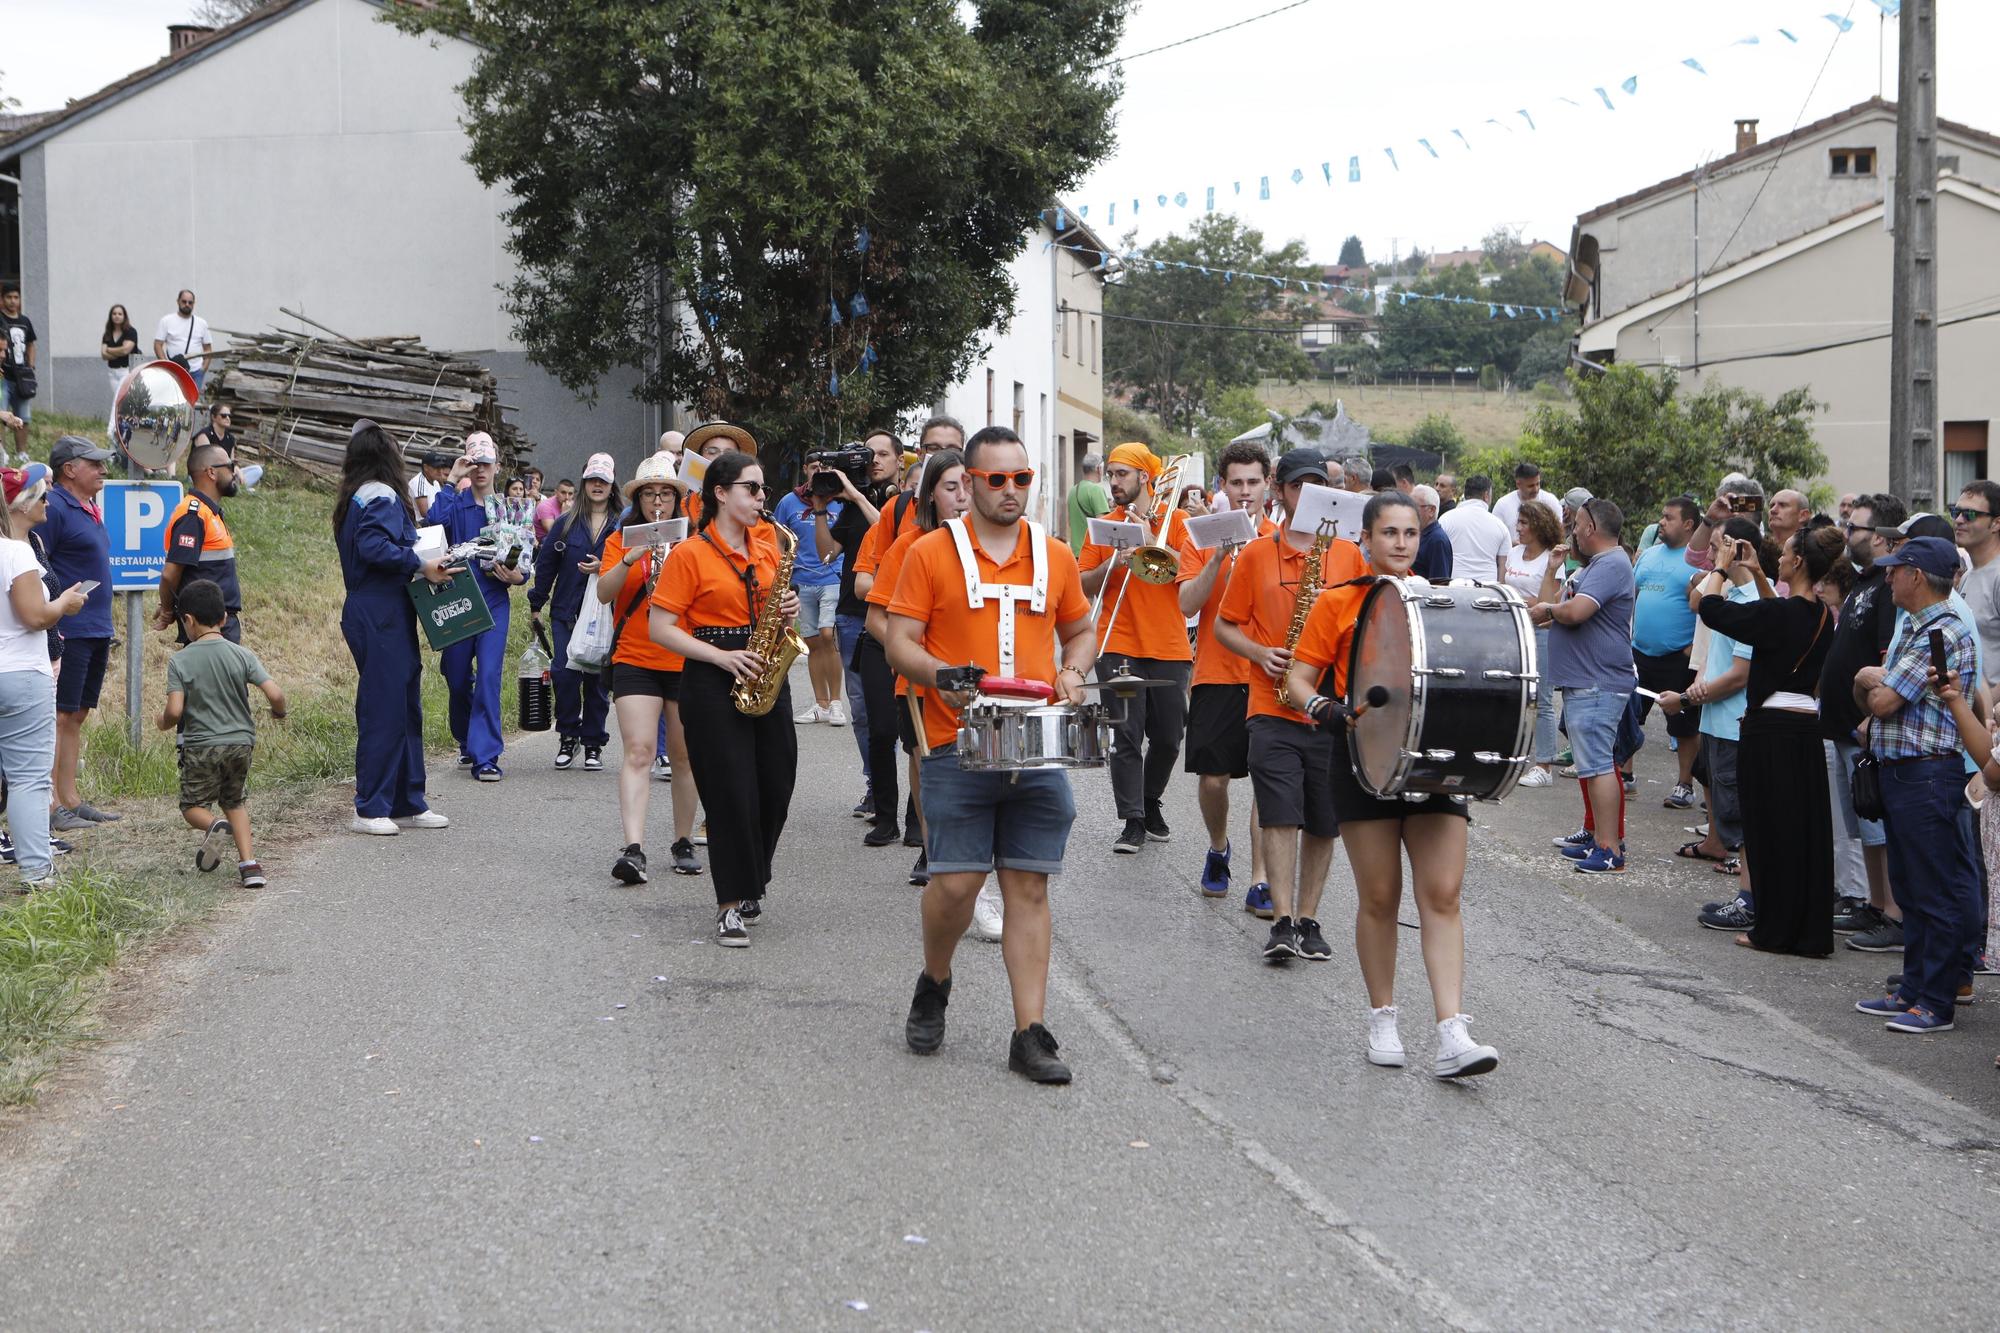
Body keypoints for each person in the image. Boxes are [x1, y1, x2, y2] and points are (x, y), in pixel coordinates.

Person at [884, 425, 1095, 1084]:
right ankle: (935, 978)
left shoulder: (1055, 554)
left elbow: (1080, 628)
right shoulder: (928, 552)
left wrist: (1076, 672)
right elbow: (899, 640)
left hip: (1034, 742)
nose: (1011, 491)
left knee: (1029, 885)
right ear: (969, 482)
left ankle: (1028, 1032)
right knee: (955, 883)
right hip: (956, 739)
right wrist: (940, 672)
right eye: (997, 479)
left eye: (1021, 479)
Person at [1286, 491, 1499, 1079]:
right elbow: (1299, 681)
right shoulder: (1338, 603)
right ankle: (1382, 1016)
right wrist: (1326, 710)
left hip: (1433, 764)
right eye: (1389, 534)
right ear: (1368, 539)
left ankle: (1452, 1031)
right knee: (1380, 897)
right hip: (1362, 763)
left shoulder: (1445, 602)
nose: (1401, 544)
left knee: (1442, 894)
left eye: (1410, 533)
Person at [1217, 449, 1368, 960]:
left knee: (1325, 820)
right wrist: (1259, 653)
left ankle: (1310, 918)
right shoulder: (1257, 553)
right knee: (1280, 814)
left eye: (1317, 485)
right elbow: (1223, 624)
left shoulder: (1348, 554)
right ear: (1280, 491)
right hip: (1271, 702)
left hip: (1330, 705)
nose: (1308, 496)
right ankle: (1281, 919)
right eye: (1298, 486)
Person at [650, 445, 800, 947]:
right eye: (751, 489)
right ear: (719, 493)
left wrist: (788, 611)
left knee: (777, 782)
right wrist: (720, 658)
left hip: (763, 668)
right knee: (730, 791)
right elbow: (661, 627)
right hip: (713, 675)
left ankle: (752, 874)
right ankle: (730, 904)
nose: (761, 498)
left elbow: (773, 608)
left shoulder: (768, 546)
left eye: (762, 490)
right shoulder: (691, 554)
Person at [1851, 536, 1985, 1033]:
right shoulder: (1917, 627)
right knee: (1910, 885)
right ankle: (1913, 990)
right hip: (1905, 772)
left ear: (1917, 576)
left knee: (1934, 889)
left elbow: (1882, 703)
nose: (1886, 578)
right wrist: (1872, 683)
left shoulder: (1943, 631)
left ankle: (1936, 1001)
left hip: (1929, 773)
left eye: (1894, 570)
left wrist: (1872, 681)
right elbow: (1872, 696)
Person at [1692, 526, 1844, 955]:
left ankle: (1773, 930)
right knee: (1802, 831)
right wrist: (1758, 575)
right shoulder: (1819, 615)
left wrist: (1720, 568)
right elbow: (1779, 617)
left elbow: (1712, 610)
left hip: (1771, 730)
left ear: (1797, 562)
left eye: (1784, 556)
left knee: (1768, 830)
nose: (1777, 559)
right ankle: (1807, 931)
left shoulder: (1782, 616)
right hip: (1803, 731)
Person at [333, 420, 456, 835]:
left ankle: (406, 800)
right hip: (380, 608)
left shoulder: (357, 495)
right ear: (384, 455)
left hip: (377, 607)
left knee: (403, 706)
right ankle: (370, 807)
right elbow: (374, 547)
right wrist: (421, 562)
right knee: (386, 709)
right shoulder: (382, 494)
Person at [1080, 442, 1198, 854]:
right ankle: (1131, 819)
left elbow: (1191, 571)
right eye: (1110, 474)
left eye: (1121, 475)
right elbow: (1082, 583)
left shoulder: (1178, 520)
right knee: (1125, 735)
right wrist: (1111, 561)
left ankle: (1149, 800)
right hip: (1118, 642)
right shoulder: (1103, 525)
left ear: (1145, 478)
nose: (1113, 482)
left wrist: (1154, 543)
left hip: (1169, 644)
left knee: (1168, 737)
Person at [863, 451, 971, 895]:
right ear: (930, 496)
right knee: (926, 767)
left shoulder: (997, 545)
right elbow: (875, 619)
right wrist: (914, 654)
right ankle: (932, 847)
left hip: (981, 681)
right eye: (951, 488)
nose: (963, 497)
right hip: (922, 683)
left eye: (968, 485)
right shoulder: (909, 545)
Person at [1179, 441, 1274, 911]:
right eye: (1235, 482)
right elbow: (1186, 605)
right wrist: (1217, 556)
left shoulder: (1281, 536)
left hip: (1268, 675)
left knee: (1267, 778)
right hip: (1216, 671)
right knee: (1213, 780)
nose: (1244, 491)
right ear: (1221, 486)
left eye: (1253, 482)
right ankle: (1219, 847)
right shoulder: (1199, 536)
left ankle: (1261, 877)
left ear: (1267, 485)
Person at [601, 453, 702, 883]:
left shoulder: (694, 541)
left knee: (684, 756)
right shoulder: (618, 540)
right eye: (649, 494)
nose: (657, 500)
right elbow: (605, 593)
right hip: (635, 657)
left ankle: (682, 840)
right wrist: (630, 558)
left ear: (676, 499)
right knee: (639, 751)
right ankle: (633, 847)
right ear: (637, 500)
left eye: (664, 493)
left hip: (684, 657)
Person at [1529, 497, 1636, 874]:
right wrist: (1551, 571)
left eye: (1576, 525)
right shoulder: (1591, 567)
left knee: (1598, 764)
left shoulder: (1612, 564)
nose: (1572, 531)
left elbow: (1572, 613)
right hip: (1584, 681)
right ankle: (1597, 837)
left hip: (1599, 681)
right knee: (1591, 764)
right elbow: (1546, 613)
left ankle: (1610, 849)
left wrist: (1551, 611)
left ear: (1590, 528)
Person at [157, 580, 285, 889]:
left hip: (202, 746)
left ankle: (215, 826)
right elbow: (276, 694)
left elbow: (174, 711)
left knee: (192, 806)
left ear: (187, 620)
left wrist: (161, 722)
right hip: (241, 743)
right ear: (224, 618)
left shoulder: (181, 660)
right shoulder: (241, 655)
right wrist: (279, 713)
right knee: (235, 801)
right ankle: (250, 865)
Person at [1669, 519, 1765, 916]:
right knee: (1725, 811)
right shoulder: (1736, 596)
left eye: (1716, 548)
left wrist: (1690, 700)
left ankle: (1749, 900)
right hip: (1717, 719)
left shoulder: (1747, 603)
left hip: (1733, 722)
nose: (1708, 556)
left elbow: (1740, 675)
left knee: (1739, 818)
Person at [1821, 494, 1905, 943]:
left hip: (1864, 728)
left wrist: (1868, 718)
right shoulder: (1865, 580)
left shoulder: (1888, 588)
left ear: (1878, 536)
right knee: (1861, 823)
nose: (1846, 533)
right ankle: (1875, 905)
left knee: (1876, 822)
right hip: (1843, 727)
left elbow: (1884, 657)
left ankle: (1891, 912)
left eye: (1854, 528)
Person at [425, 432, 530, 781]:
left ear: (498, 466)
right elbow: (430, 525)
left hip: (494, 600)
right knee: (456, 677)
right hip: (457, 600)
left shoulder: (510, 508)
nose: (481, 469)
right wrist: (452, 480)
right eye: (475, 463)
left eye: (487, 463)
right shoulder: (456, 502)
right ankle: (467, 739)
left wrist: (516, 577)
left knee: (487, 675)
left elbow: (523, 561)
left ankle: (486, 755)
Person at [0, 465, 85, 889]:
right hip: (22, 673)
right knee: (28, 780)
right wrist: (65, 603)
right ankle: (36, 872)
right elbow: (34, 616)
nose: (49, 502)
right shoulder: (18, 553)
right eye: (43, 496)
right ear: (24, 504)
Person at [34, 436, 120, 831]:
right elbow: (37, 564)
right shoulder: (54, 509)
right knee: (60, 714)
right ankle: (51, 805)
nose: (103, 470)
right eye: (95, 464)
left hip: (96, 627)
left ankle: (70, 797)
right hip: (69, 629)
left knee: (78, 713)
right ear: (70, 469)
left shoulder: (87, 508)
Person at [819, 429, 903, 825]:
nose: (875, 461)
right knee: (863, 710)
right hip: (853, 613)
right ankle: (877, 787)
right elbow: (826, 553)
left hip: (900, 614)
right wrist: (821, 509)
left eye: (882, 454)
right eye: (869, 455)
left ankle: (922, 794)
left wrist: (854, 495)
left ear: (899, 460)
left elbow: (889, 536)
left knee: (907, 710)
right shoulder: (850, 506)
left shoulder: (903, 504)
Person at [530, 453, 620, 773]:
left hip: (605, 614)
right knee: (564, 674)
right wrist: (536, 603)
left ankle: (593, 741)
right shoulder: (566, 523)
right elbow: (546, 565)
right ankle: (569, 736)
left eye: (604, 481)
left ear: (612, 485)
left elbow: (633, 563)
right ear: (584, 483)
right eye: (592, 480)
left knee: (596, 678)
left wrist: (604, 567)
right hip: (566, 610)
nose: (597, 485)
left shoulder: (623, 522)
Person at [1629, 496, 1704, 808]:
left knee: (1684, 727)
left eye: (1669, 517)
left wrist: (1695, 646)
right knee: (1629, 716)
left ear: (1688, 524)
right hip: (1640, 652)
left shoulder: (1699, 563)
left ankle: (1684, 785)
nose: (1661, 522)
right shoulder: (1648, 556)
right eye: (1662, 516)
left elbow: (1709, 606)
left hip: (1678, 657)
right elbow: (1631, 595)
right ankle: (1625, 775)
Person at [774, 459, 848, 727]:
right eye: (814, 466)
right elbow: (778, 540)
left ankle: (837, 703)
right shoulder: (788, 502)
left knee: (828, 635)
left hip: (832, 577)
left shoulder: (840, 498)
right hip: (801, 579)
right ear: (805, 468)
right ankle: (821, 704)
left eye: (825, 467)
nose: (819, 472)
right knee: (813, 642)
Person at [152, 443, 244, 643]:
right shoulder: (193, 515)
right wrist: (168, 609)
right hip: (207, 628)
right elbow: (170, 574)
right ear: (211, 472)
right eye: (230, 466)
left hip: (217, 624)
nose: (235, 473)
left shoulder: (208, 512)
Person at [1505, 499, 1564, 787]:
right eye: (1519, 522)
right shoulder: (1514, 552)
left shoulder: (1551, 559)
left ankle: (1544, 765)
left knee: (1542, 699)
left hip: (1541, 633)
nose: (1518, 528)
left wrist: (1533, 601)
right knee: (1512, 694)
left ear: (1539, 526)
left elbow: (1549, 604)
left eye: (1524, 523)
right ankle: (1513, 754)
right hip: (1512, 628)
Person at [1437, 473, 1509, 584]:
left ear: (1465, 494)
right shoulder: (1500, 526)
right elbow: (1504, 567)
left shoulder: (1446, 519)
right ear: (1486, 495)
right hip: (1488, 591)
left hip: (1453, 587)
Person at [153, 289, 213, 395]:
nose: (187, 304)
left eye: (190, 302)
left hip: (196, 372)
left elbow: (208, 349)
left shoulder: (202, 323)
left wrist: (203, 369)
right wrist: (167, 365)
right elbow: (158, 345)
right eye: (184, 301)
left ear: (194, 304)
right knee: (174, 402)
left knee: (192, 404)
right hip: (175, 371)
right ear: (178, 301)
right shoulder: (166, 321)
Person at [0, 283, 36, 456]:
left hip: (22, 376)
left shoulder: (25, 321)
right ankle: (2, 453)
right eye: (9, 297)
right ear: (2, 299)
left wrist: (31, 366)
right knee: (1, 416)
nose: (13, 301)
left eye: (16, 297)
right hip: (2, 376)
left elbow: (31, 344)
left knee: (24, 416)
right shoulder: (0, 319)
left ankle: (21, 452)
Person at [1491, 461, 1563, 537]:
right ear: (1518, 484)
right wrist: (1511, 544)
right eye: (1531, 486)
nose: (1536, 489)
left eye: (1538, 484)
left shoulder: (1550, 501)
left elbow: (1558, 533)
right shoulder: (1502, 505)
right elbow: (1494, 536)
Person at [100, 304, 138, 423]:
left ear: (124, 316)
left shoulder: (130, 332)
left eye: (120, 314)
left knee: (118, 400)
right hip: (112, 372)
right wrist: (119, 351)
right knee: (121, 402)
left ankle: (112, 428)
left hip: (125, 371)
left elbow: (126, 350)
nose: (117, 316)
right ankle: (123, 425)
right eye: (114, 313)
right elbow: (103, 355)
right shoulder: (108, 333)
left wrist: (110, 350)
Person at [1067, 452, 1110, 555]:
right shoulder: (1096, 490)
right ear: (1099, 469)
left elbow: (1069, 522)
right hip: (1090, 554)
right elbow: (1103, 526)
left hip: (1075, 553)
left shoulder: (1073, 490)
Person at [1409, 484, 1453, 581]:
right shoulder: (1418, 535)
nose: (1409, 511)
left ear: (1431, 511)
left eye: (1413, 506)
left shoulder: (1437, 540)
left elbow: (1439, 584)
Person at [409, 450, 450, 520]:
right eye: (436, 467)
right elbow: (425, 513)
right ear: (425, 467)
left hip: (434, 522)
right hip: (421, 526)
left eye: (441, 467)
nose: (440, 471)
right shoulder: (419, 482)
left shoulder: (436, 482)